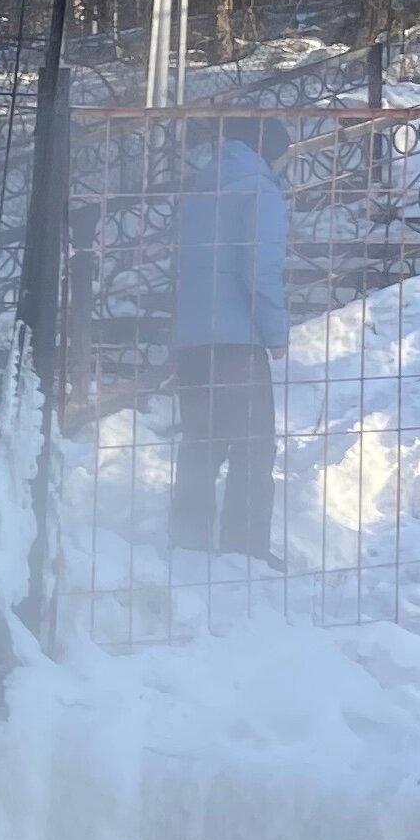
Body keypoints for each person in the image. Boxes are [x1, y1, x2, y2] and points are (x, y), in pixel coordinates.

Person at [169, 113, 290, 561]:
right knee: (253, 448)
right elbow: (260, 267)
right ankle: (245, 547)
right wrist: (275, 331)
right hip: (238, 342)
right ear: (269, 150)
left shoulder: (200, 189)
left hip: (191, 340)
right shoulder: (259, 191)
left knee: (201, 443)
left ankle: (188, 542)